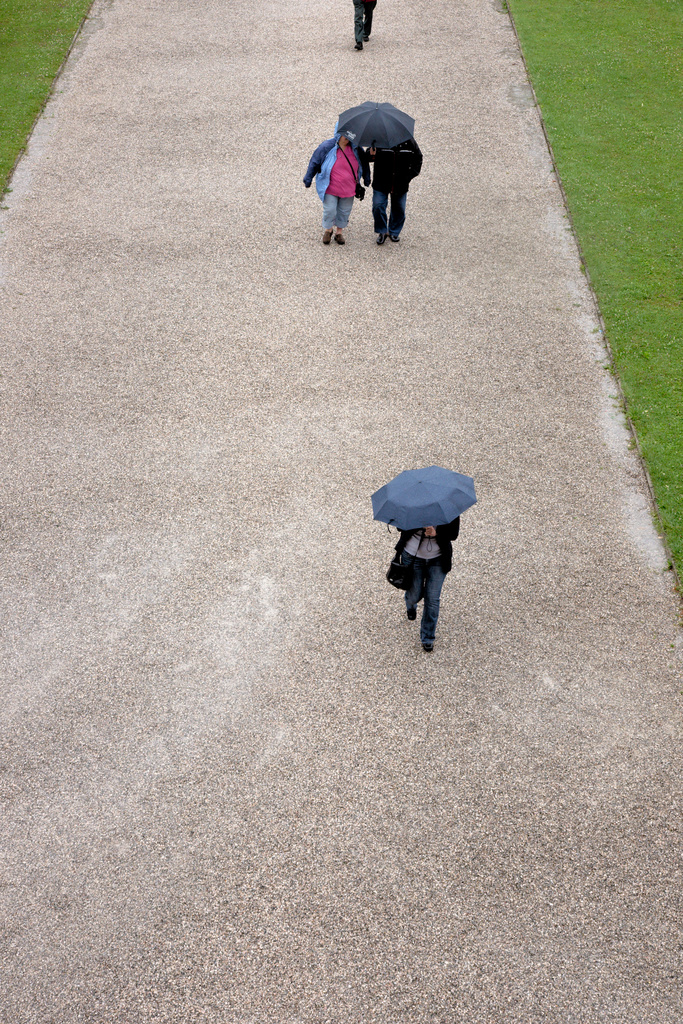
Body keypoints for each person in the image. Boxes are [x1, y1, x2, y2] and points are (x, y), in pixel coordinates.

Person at [394, 517, 460, 651]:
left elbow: (453, 534)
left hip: (438, 559)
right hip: (412, 556)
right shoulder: (411, 503)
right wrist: (418, 524)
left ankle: (428, 636)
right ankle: (411, 605)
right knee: (414, 594)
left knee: (432, 599)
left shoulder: (446, 508)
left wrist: (437, 533)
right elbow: (400, 527)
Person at [303, 128, 370, 246]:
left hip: (349, 187)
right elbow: (314, 161)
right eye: (345, 135)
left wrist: (367, 177)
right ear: (338, 134)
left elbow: (364, 163)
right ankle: (328, 230)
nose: (347, 138)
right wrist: (308, 178)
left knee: (344, 211)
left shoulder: (356, 148)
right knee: (330, 210)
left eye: (350, 136)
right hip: (330, 187)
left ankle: (339, 233)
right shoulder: (326, 147)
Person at [367, 137, 423, 244]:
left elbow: (418, 158)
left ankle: (393, 231)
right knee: (378, 206)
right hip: (381, 182)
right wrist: (371, 154)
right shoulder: (379, 140)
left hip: (400, 183)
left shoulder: (409, 141)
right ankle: (382, 231)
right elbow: (368, 157)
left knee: (399, 208)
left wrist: (409, 176)